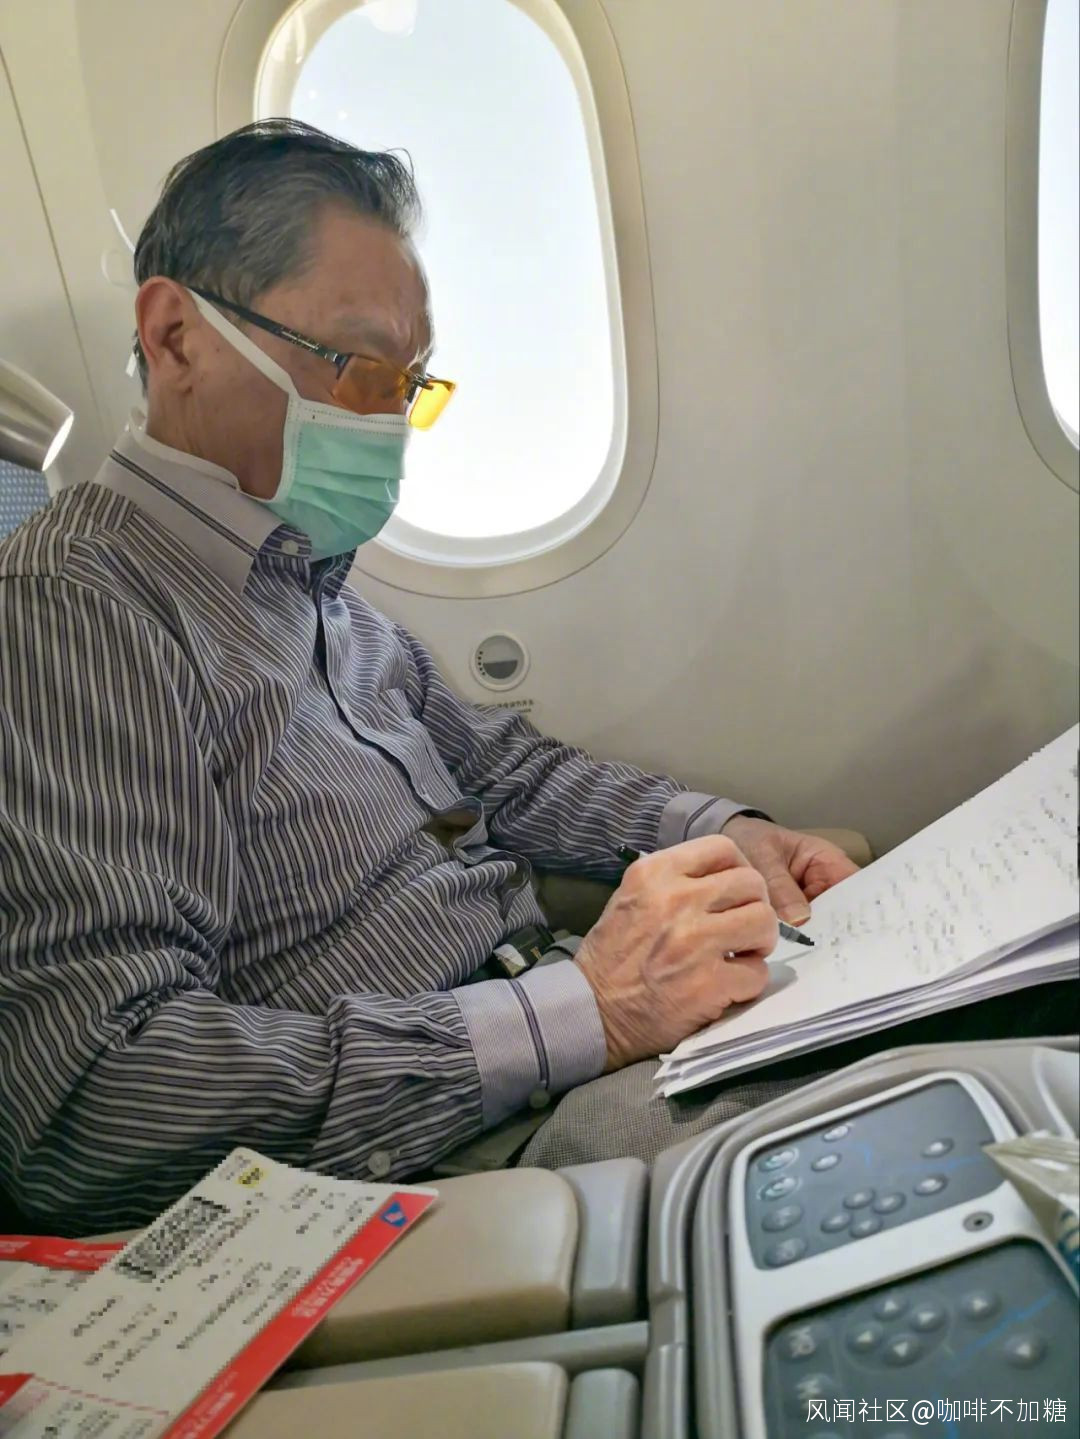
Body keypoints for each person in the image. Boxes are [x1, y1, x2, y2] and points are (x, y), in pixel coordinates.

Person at [0, 120, 857, 1231]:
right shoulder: (78, 608)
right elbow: (93, 1098)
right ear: (176, 337)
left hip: (558, 1044)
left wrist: (721, 828)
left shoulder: (307, 576)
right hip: (449, 1154)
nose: (392, 423)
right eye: (361, 368)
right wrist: (580, 1010)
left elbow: (499, 773)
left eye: (411, 382)